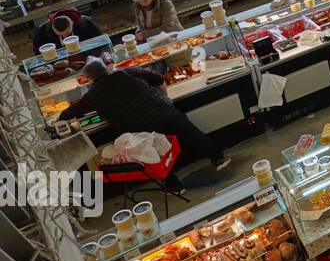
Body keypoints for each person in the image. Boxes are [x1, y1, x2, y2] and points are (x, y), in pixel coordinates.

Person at [60, 58, 228, 172]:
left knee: (156, 156)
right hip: (163, 111)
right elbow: (157, 78)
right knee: (190, 133)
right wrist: (164, 96)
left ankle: (173, 185)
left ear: (89, 79)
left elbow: (72, 112)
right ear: (105, 68)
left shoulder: (92, 95)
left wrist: (60, 118)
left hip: (139, 126)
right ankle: (217, 158)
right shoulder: (126, 72)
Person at [33, 11, 104, 52]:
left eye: (68, 34)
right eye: (61, 36)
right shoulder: (42, 32)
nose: (65, 38)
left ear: (72, 23)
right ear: (52, 27)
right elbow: (38, 53)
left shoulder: (86, 23)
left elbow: (101, 41)